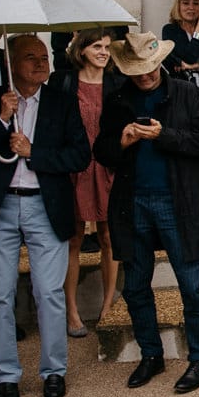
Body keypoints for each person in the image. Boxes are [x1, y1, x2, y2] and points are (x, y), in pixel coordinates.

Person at [0, 35, 90, 397]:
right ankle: (6, 376)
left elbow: (79, 156)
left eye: (44, 57)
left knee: (49, 292)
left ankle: (54, 371)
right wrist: (1, 120)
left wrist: (34, 152)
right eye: (30, 57)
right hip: (0, 206)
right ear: (11, 63)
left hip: (44, 205)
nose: (40, 63)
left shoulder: (62, 102)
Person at [95, 32, 199, 395]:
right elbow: (101, 151)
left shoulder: (187, 93)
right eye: (138, 69)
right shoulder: (118, 99)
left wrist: (164, 136)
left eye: (150, 67)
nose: (146, 75)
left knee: (192, 286)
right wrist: (121, 141)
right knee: (135, 287)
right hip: (131, 202)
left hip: (177, 201)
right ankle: (151, 354)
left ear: (160, 62)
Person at [50, 29, 122, 337]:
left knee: (108, 236)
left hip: (106, 165)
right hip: (75, 166)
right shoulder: (63, 81)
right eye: (97, 47)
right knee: (74, 238)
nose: (104, 52)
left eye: (107, 47)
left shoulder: (117, 83)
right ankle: (72, 310)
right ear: (81, 50)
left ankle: (108, 304)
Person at [161, 0, 199, 83]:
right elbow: (188, 58)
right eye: (186, 3)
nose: (191, 7)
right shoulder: (170, 30)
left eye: (196, 3)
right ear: (178, 6)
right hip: (180, 85)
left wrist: (192, 66)